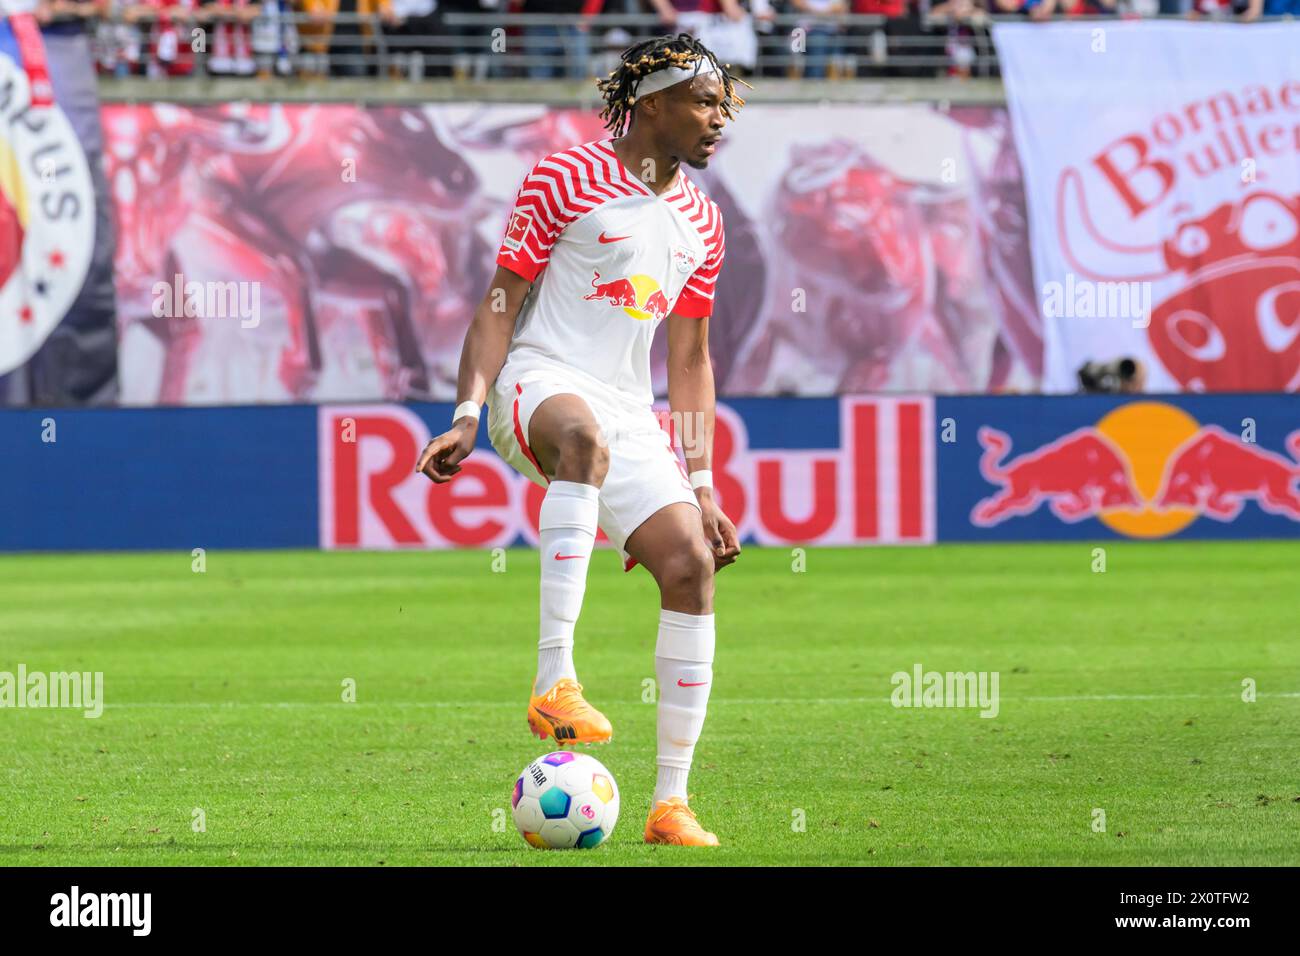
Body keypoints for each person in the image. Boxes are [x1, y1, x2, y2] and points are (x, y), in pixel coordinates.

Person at [416, 32, 745, 847]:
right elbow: (500, 303)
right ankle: (554, 679)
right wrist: (466, 410)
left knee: (691, 566)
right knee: (585, 440)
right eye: (705, 102)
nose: (719, 119)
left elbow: (692, 358)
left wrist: (702, 484)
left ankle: (670, 804)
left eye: (724, 106)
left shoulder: (703, 221)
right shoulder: (565, 176)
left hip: (630, 410)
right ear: (654, 102)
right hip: (540, 378)